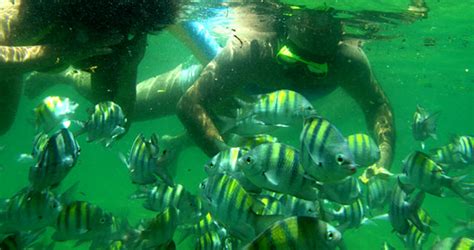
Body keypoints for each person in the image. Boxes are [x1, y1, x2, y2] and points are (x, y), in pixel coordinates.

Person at [175, 5, 396, 170]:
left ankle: (175, 145)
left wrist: (383, 161)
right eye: (293, 59)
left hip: (261, 107)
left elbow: (377, 106)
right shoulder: (252, 49)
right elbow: (189, 103)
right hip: (235, 81)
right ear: (285, 32)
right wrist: (231, 164)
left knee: (236, 125)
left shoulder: (349, 61)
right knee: (190, 59)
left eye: (319, 65)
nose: (305, 73)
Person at [0, 0, 182, 135]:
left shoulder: (122, 30)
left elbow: (115, 126)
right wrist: (60, 53)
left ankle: (64, 74)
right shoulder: (35, 11)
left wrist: (130, 68)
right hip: (25, 41)